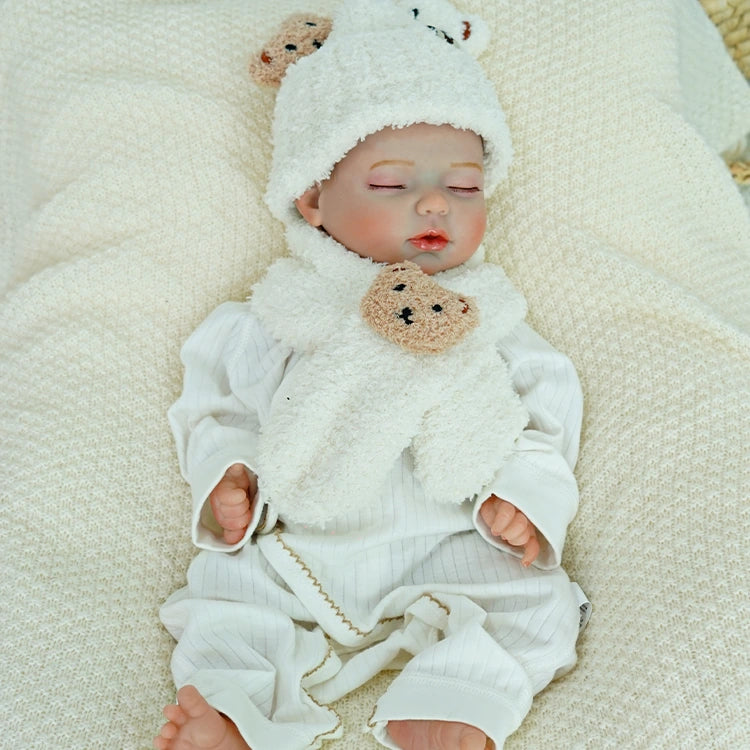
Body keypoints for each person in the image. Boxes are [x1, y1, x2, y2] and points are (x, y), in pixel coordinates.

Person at [155, 2, 587, 749]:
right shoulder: (276, 316)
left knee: (540, 605)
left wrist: (520, 495)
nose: (432, 203)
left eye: (463, 186)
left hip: (455, 539)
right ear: (314, 198)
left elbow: (545, 414)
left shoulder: (492, 320)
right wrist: (229, 476)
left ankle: (451, 708)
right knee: (225, 604)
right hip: (304, 541)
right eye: (390, 185)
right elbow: (217, 407)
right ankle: (234, 714)